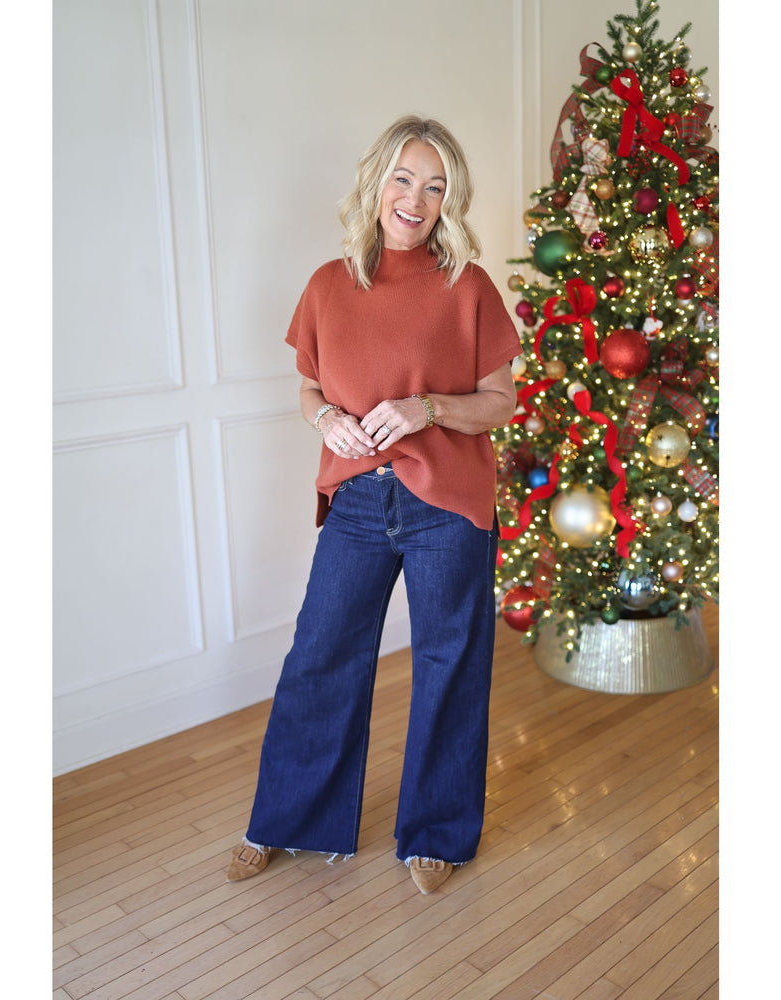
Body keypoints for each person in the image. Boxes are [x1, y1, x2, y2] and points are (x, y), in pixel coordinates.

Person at [227, 115, 522, 895]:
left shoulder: (468, 288)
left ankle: (437, 835)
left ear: (449, 200)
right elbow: (309, 387)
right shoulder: (330, 284)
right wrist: (323, 417)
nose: (416, 200)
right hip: (357, 502)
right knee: (320, 655)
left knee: (447, 662)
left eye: (435, 187)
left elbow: (501, 403)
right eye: (404, 179)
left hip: (447, 503)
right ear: (376, 182)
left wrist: (430, 409)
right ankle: (288, 822)